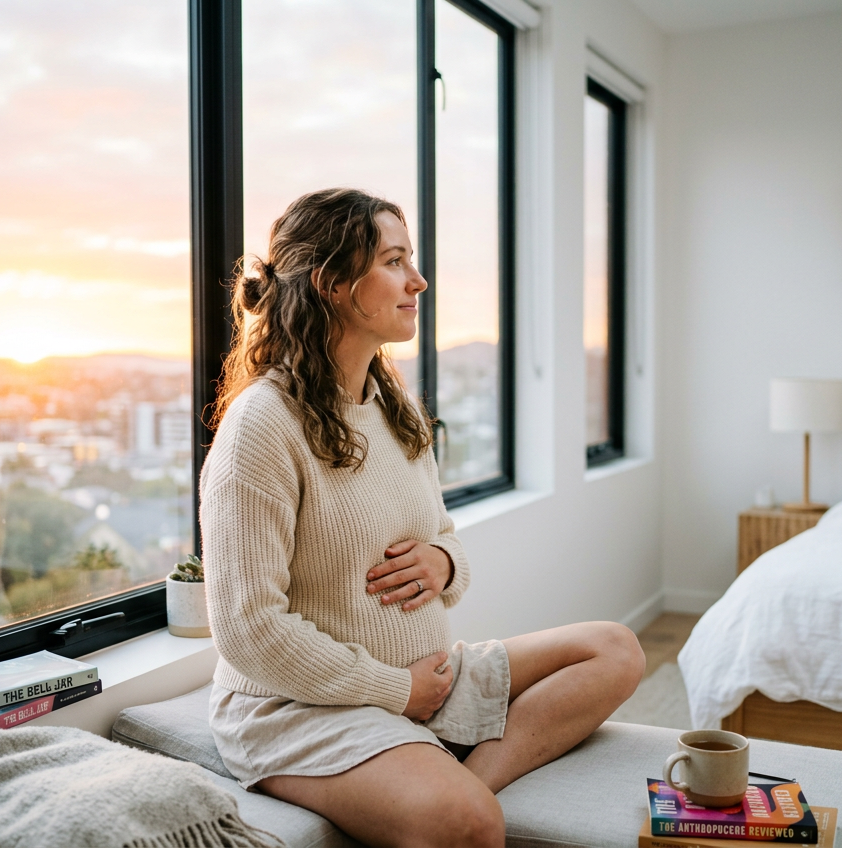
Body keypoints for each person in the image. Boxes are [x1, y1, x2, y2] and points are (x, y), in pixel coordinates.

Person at [202, 188, 645, 848]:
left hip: (425, 677)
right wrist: (392, 690)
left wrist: (443, 564)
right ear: (332, 284)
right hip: (298, 707)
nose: (419, 280)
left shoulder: (388, 399)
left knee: (615, 649)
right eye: (395, 261)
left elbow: (440, 534)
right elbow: (248, 630)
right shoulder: (261, 427)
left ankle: (467, 773)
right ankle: (449, 787)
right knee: (466, 824)